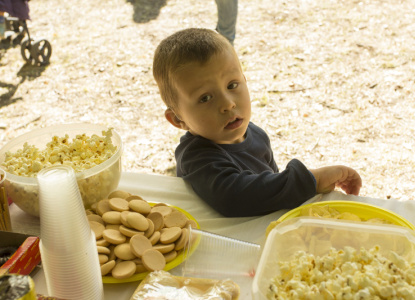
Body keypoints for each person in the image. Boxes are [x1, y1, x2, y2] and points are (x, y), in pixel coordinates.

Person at [152, 28, 362, 217]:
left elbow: (271, 188)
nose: (228, 104)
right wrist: (309, 180)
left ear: (245, 79)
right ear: (178, 119)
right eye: (205, 98)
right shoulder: (196, 158)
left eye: (232, 85)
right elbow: (236, 197)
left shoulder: (256, 135)